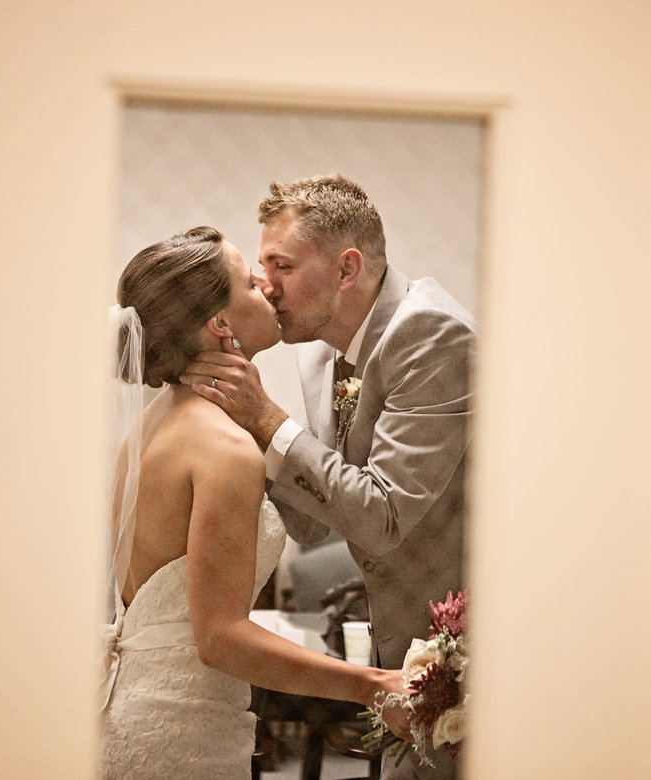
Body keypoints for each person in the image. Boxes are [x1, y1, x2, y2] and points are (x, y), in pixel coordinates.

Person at [182, 176, 474, 779]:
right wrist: (239, 444)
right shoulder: (319, 352)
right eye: (261, 266)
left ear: (347, 268)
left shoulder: (431, 334)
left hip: (473, 648)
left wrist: (266, 420)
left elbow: (385, 517)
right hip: (403, 650)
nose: (266, 284)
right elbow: (316, 526)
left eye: (282, 265)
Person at [99, 226, 408, 780]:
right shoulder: (223, 447)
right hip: (180, 733)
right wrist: (373, 683)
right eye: (249, 279)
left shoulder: (152, 425)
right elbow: (220, 638)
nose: (266, 286)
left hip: (142, 708)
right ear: (220, 325)